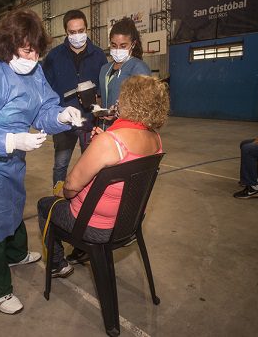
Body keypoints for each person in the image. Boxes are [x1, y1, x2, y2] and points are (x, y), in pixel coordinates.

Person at [0, 9, 84, 315]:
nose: (33, 58)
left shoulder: (31, 68)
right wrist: (9, 141)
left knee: (11, 205)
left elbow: (44, 106)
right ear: (7, 44)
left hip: (11, 160)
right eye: (26, 50)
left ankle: (16, 253)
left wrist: (61, 115)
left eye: (37, 51)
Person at [37, 75, 169, 277]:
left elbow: (72, 186)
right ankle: (81, 252)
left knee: (46, 204)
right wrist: (101, 145)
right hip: (127, 222)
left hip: (96, 226)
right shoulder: (155, 139)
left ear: (129, 101)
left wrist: (64, 194)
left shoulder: (110, 141)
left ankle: (56, 264)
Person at [42, 10, 108, 189]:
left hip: (89, 120)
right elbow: (44, 87)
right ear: (66, 32)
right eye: (72, 32)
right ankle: (57, 197)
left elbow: (103, 89)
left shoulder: (98, 55)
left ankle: (87, 198)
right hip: (63, 122)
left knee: (91, 163)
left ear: (87, 29)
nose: (77, 35)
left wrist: (99, 107)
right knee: (60, 164)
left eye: (81, 30)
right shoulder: (54, 57)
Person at [98, 17, 151, 127]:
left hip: (127, 130)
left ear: (133, 44)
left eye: (123, 46)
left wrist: (118, 112)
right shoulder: (104, 69)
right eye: (113, 45)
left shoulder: (139, 68)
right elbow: (101, 98)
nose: (117, 50)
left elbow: (145, 105)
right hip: (105, 129)